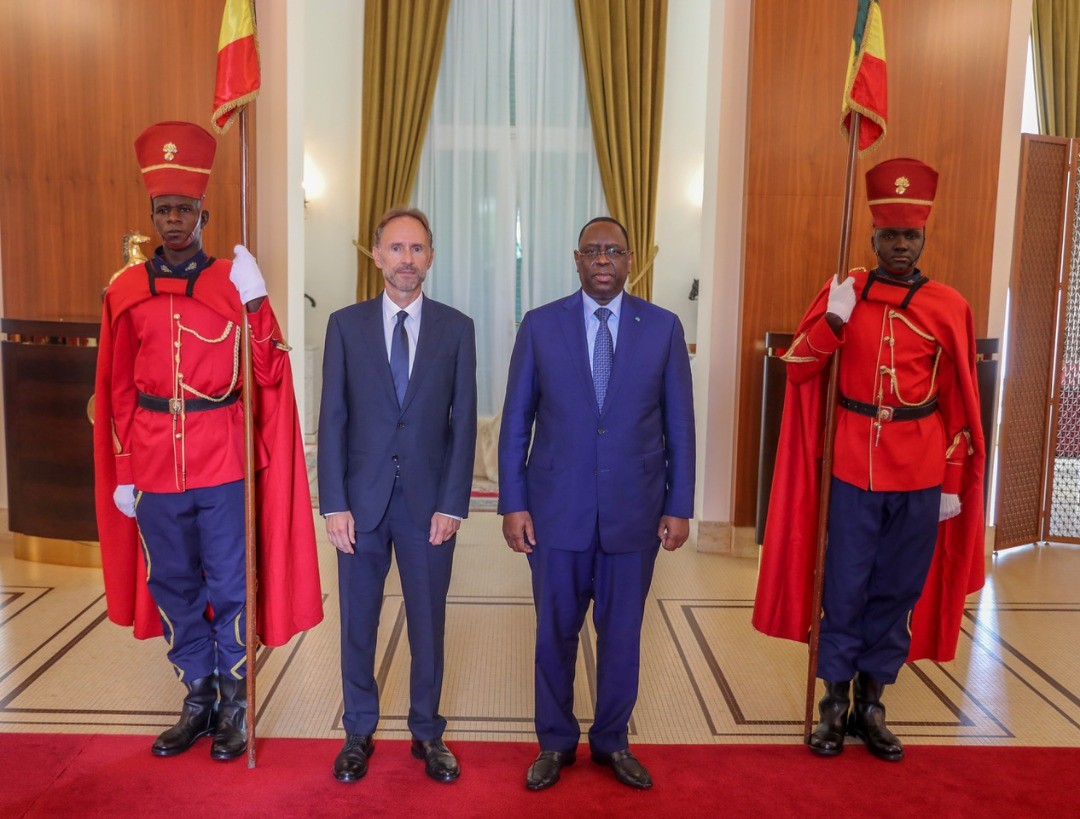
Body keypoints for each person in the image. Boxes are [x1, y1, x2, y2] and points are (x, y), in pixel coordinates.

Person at [94, 121, 323, 761]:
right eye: (163, 210)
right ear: (151, 215)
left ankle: (236, 700)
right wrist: (123, 468)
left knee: (230, 583)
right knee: (173, 585)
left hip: (224, 458)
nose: (173, 220)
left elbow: (271, 372)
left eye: (184, 209)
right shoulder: (123, 291)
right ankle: (196, 696)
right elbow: (114, 385)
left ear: (204, 212)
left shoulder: (232, 282)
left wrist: (257, 303)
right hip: (153, 464)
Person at [753, 158, 986, 761]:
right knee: (846, 585)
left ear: (924, 237)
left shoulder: (948, 306)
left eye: (910, 235)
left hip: (923, 471)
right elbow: (800, 368)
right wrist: (833, 320)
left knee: (898, 588)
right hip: (853, 466)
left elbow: (961, 400)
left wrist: (954, 478)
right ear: (873, 237)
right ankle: (833, 702)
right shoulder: (844, 293)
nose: (901, 246)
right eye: (890, 236)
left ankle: (872, 700)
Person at [499, 216, 695, 791]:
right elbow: (516, 422)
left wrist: (678, 504)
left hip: (635, 513)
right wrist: (513, 502)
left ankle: (612, 741)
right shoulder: (539, 326)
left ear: (631, 260)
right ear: (577, 259)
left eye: (613, 250)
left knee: (622, 635)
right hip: (556, 511)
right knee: (553, 634)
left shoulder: (661, 328)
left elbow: (679, 427)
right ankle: (555, 743)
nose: (603, 259)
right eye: (592, 251)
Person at [318, 207, 477, 784]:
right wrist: (333, 503)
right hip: (359, 508)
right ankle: (358, 730)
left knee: (428, 623)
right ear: (378, 256)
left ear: (430, 256)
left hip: (430, 507)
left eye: (417, 249)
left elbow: (462, 424)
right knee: (357, 622)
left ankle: (427, 733)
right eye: (396, 248)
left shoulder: (458, 328)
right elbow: (333, 419)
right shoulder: (345, 325)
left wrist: (454, 502)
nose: (406, 259)